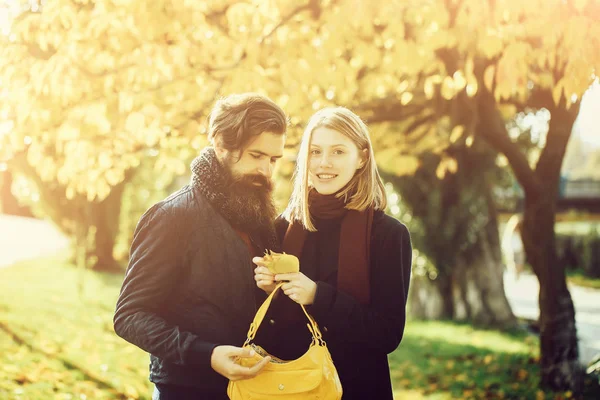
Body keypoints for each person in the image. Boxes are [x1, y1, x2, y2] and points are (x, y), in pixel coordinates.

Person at [113, 93, 288, 399]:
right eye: (256, 156)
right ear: (221, 144)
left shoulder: (258, 218)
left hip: (254, 388)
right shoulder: (171, 217)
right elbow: (130, 316)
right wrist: (207, 354)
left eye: (274, 160)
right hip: (187, 389)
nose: (266, 171)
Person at [252, 106, 413, 400]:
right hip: (288, 386)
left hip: (358, 386)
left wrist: (317, 295)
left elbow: (387, 333)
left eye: (338, 152)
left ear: (362, 157)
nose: (324, 163)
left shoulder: (388, 235)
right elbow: (264, 325)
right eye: (315, 152)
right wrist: (268, 290)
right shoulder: (281, 228)